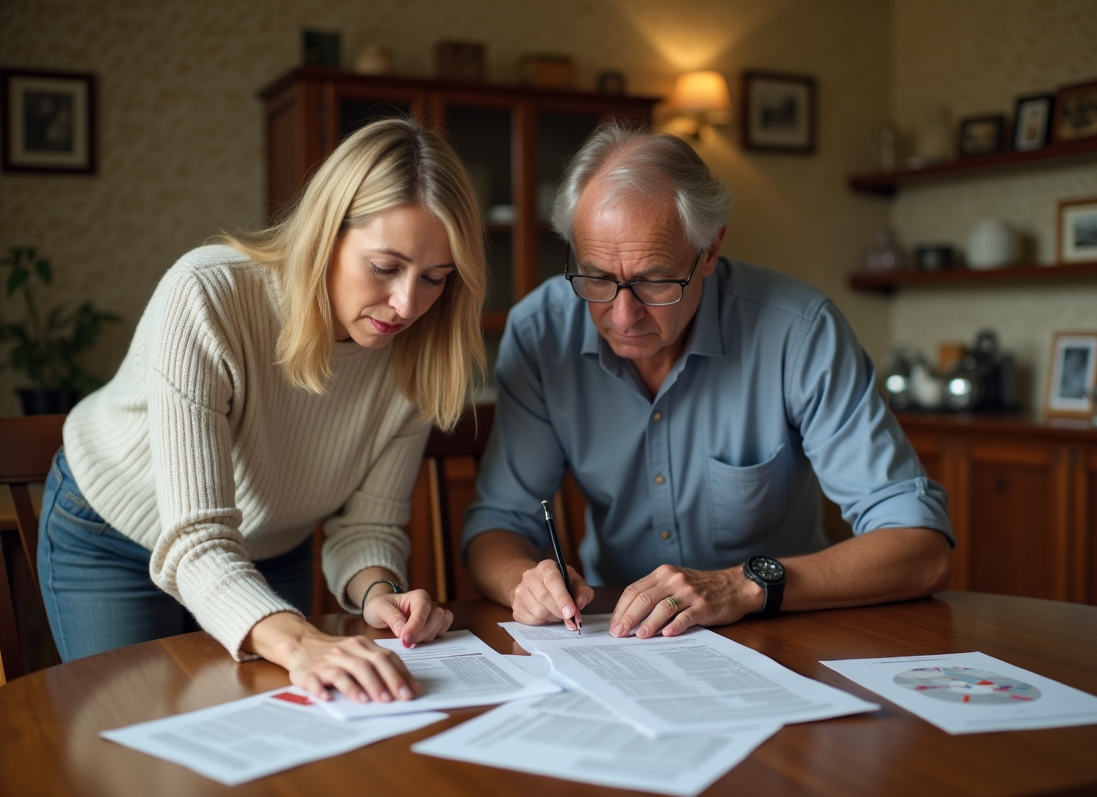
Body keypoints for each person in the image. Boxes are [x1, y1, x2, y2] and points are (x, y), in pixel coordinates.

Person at [39, 117, 486, 705]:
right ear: (327, 233)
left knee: (281, 736)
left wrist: (382, 591)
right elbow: (196, 539)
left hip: (268, 547)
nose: (407, 304)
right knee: (133, 746)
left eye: (435, 279)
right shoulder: (208, 293)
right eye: (384, 267)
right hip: (115, 536)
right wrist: (300, 640)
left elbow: (366, 529)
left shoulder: (424, 356)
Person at [462, 123, 953, 640]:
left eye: (654, 280)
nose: (622, 316)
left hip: (779, 627)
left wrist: (740, 587)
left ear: (711, 250)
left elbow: (922, 548)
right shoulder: (541, 332)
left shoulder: (799, 331)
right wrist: (528, 582)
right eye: (597, 278)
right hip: (614, 633)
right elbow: (497, 524)